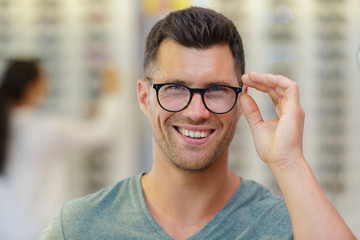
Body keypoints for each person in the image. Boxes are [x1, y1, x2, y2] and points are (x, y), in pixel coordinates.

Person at [41, 7, 356, 239]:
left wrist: (289, 162)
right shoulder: (79, 226)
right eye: (175, 88)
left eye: (217, 90)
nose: (196, 111)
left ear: (241, 99)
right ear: (143, 98)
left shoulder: (292, 227)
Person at [0, 59, 120, 240]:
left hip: (7, 231)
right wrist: (111, 94)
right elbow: (101, 134)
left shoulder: (8, 128)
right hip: (42, 232)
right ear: (32, 87)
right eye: (44, 80)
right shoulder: (46, 129)